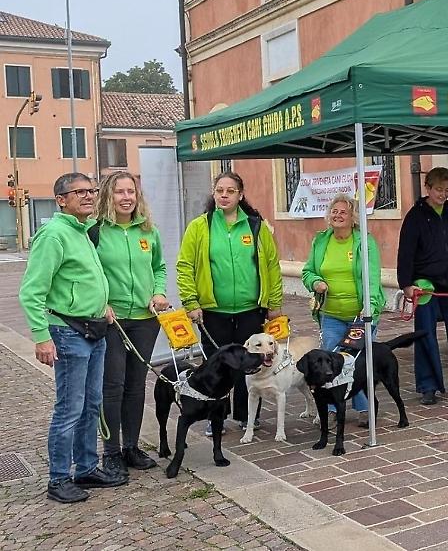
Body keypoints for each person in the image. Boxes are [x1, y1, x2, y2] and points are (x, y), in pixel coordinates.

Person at [20, 173, 124, 503]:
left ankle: (86, 468)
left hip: (95, 329)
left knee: (91, 405)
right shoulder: (54, 234)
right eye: (79, 192)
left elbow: (81, 279)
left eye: (91, 191)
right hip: (68, 333)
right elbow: (31, 291)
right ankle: (58, 478)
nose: (88, 196)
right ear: (61, 200)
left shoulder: (82, 232)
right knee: (69, 408)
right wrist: (41, 336)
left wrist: (102, 303)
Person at [176, 171, 284, 434]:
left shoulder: (255, 226)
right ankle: (217, 418)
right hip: (213, 311)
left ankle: (248, 416)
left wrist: (274, 302)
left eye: (230, 191)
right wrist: (191, 301)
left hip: (250, 309)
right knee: (216, 365)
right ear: (214, 194)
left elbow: (271, 265)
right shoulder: (200, 227)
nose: (224, 195)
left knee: (252, 362)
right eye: (220, 190)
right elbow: (184, 266)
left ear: (240, 195)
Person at [95, 171, 170, 478]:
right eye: (119, 192)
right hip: (110, 321)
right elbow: (90, 274)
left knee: (136, 386)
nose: (126, 197)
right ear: (108, 197)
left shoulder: (148, 231)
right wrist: (101, 303)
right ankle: (111, 453)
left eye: (131, 192)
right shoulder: (95, 231)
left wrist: (159, 292)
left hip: (144, 320)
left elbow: (159, 267)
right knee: (112, 386)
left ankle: (131, 447)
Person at [301, 194, 385, 418]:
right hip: (330, 313)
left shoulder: (364, 242)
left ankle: (364, 407)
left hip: (360, 314)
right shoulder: (321, 240)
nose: (337, 216)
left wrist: (370, 307)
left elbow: (373, 279)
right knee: (329, 360)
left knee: (358, 362)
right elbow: (307, 271)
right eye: (334, 212)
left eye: (343, 212)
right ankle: (329, 407)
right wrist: (315, 282)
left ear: (353, 217)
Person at [397, 166, 448, 405]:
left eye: (447, 189)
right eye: (439, 189)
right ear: (427, 188)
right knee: (425, 334)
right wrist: (407, 285)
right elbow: (405, 253)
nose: (443, 194)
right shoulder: (415, 216)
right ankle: (428, 385)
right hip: (425, 286)